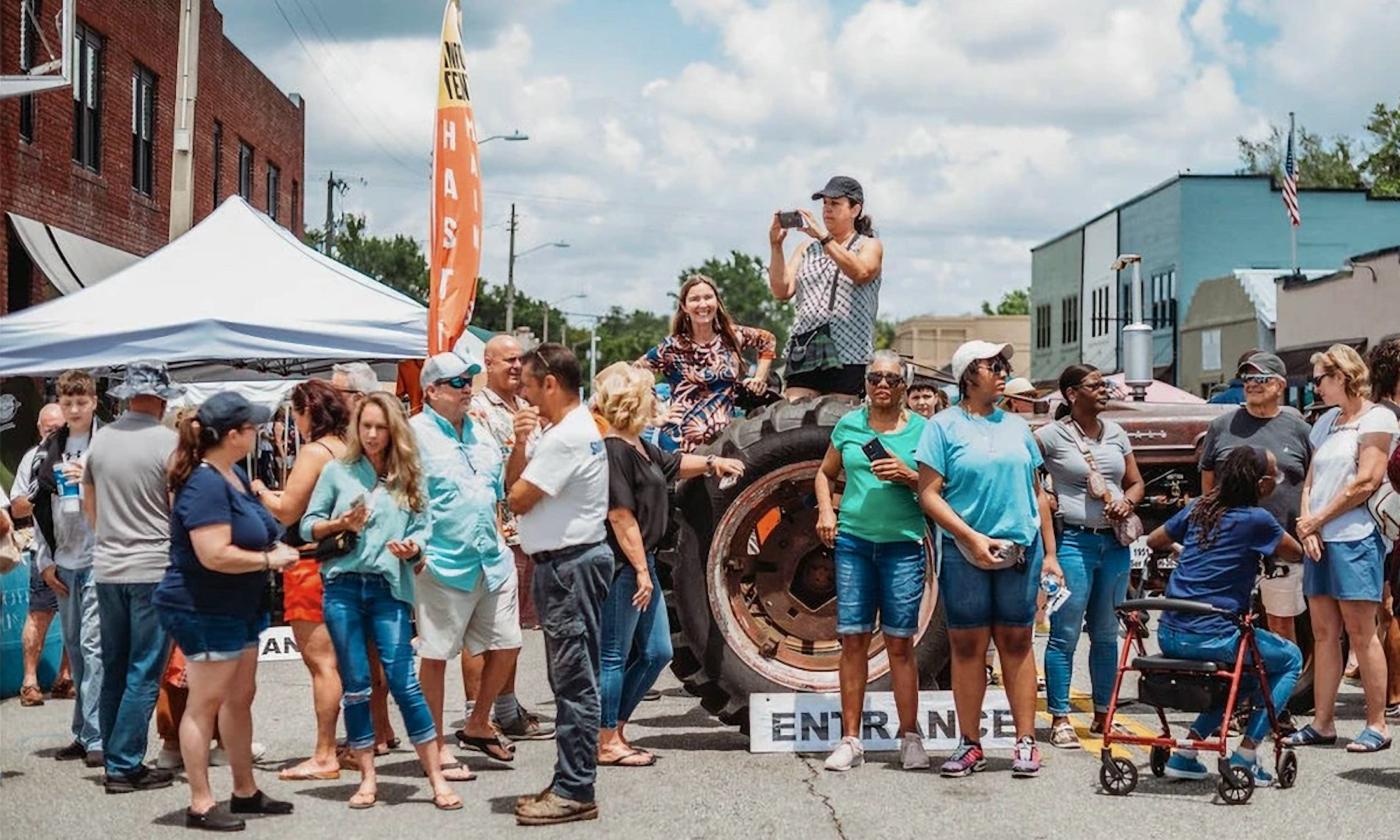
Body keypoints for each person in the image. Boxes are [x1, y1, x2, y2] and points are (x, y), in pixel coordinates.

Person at [302, 391, 463, 810]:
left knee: (404, 682)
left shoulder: (409, 474)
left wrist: (415, 547)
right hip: (343, 587)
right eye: (365, 426)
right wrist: (341, 522)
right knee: (356, 685)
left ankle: (435, 778)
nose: (371, 434)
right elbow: (307, 526)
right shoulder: (338, 472)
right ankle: (368, 778)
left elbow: (426, 526)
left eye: (379, 427)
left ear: (394, 431)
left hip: (389, 588)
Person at [915, 341, 1062, 779]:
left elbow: (1038, 494)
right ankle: (970, 743)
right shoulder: (941, 428)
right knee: (967, 647)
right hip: (965, 550)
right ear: (967, 375)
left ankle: (1025, 741)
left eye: (1004, 365)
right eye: (993, 365)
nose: (1003, 372)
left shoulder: (1018, 427)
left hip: (1021, 549)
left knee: (1017, 643)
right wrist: (970, 537)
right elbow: (928, 494)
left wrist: (1051, 553)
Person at [154, 392, 299, 831]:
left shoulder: (231, 473)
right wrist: (270, 560)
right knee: (205, 704)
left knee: (240, 698)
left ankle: (245, 791)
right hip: (206, 606)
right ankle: (200, 802)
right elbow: (213, 553)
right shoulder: (204, 483)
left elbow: (257, 532)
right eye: (253, 427)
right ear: (234, 435)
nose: (258, 432)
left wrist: (278, 549)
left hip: (240, 603)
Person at [592, 363, 744, 768]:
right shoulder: (613, 449)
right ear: (632, 400)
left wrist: (713, 464)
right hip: (623, 568)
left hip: (640, 566)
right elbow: (620, 516)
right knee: (614, 654)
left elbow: (673, 463)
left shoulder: (638, 445)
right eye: (650, 394)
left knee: (657, 651)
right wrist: (642, 571)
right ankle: (605, 739)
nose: (657, 400)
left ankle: (616, 728)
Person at [1147, 445, 1304, 783]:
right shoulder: (1257, 520)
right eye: (1274, 476)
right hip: (1212, 637)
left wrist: (1193, 547)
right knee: (1289, 659)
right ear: (1260, 484)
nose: (1277, 482)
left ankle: (1187, 753)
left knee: (1246, 679)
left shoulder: (1199, 509)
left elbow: (1155, 539)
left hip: (1171, 631)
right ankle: (1246, 755)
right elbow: (1295, 552)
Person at [506, 344, 611, 826]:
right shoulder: (569, 430)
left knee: (573, 681)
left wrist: (520, 448)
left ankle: (574, 787)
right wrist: (521, 446)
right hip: (571, 563)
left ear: (550, 383)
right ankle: (571, 778)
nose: (523, 395)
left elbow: (518, 498)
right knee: (572, 676)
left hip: (569, 566)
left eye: (527, 385)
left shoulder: (566, 436)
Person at [813, 351, 928, 771]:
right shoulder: (849, 426)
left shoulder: (922, 430)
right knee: (853, 640)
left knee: (900, 643)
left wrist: (909, 475)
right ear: (865, 383)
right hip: (855, 544)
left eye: (891, 379)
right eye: (874, 377)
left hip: (903, 545)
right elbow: (824, 473)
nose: (882, 384)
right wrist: (827, 511)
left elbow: (940, 487)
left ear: (905, 387)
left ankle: (910, 735)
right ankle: (851, 739)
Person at [412, 351, 524, 776]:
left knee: (509, 642)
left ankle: (477, 723)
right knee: (437, 656)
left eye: (469, 381)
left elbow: (500, 488)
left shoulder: (479, 432)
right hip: (441, 562)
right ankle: (435, 747)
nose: (466, 389)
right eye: (457, 383)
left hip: (491, 558)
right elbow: (401, 494)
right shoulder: (414, 435)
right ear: (432, 391)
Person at [1287, 344, 1399, 753]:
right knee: (1323, 633)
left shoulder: (1378, 417)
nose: (1315, 387)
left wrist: (1319, 520)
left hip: (1355, 536)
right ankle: (1323, 722)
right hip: (1320, 538)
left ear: (1343, 376)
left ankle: (1376, 724)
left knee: (1360, 632)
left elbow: (1367, 480)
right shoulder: (1327, 422)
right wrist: (1307, 523)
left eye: (1321, 379)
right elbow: (1312, 479)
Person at [83, 362, 183, 792]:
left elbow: (89, 503)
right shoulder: (169, 442)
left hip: (108, 564)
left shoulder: (101, 439)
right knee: (144, 669)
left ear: (126, 395)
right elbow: (178, 507)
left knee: (116, 664)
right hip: (152, 564)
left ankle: (113, 756)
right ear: (160, 399)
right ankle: (123, 764)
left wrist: (107, 534)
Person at [1036, 364, 1144, 749]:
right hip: (1073, 544)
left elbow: (1135, 482)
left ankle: (1103, 713)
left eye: (1105, 386)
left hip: (1114, 545)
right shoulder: (1050, 436)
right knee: (1064, 633)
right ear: (1071, 394)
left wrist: (1127, 502)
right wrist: (1045, 496)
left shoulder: (1116, 433)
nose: (1104, 391)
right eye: (1095, 386)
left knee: (1105, 634)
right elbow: (1026, 473)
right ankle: (1060, 717)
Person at [252, 380, 353, 781]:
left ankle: (325, 752)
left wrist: (260, 490)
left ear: (308, 411)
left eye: (295, 413)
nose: (293, 420)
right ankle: (351, 743)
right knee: (346, 662)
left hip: (312, 564)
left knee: (322, 665)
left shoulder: (314, 452)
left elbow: (288, 511)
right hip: (346, 562)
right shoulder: (348, 449)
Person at [468, 334, 553, 739]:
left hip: (527, 531)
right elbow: (504, 477)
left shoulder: (524, 406)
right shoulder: (478, 411)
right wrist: (521, 441)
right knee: (489, 630)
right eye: (508, 361)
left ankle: (502, 705)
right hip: (497, 531)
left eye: (521, 360)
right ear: (488, 362)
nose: (517, 367)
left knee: (511, 628)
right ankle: (480, 713)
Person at [1198, 352, 1312, 646]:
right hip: (1231, 546)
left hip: (1283, 546)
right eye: (1247, 378)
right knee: (1227, 620)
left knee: (1281, 628)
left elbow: (1314, 481)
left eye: (1260, 378)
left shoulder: (1299, 428)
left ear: (1280, 385)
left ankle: (1282, 690)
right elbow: (1208, 480)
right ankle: (1236, 689)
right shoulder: (1222, 426)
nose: (1252, 384)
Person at [33, 369, 104, 767]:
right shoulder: (49, 449)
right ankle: (82, 731)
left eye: (81, 402)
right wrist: (45, 561)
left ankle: (97, 736)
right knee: (75, 648)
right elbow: (39, 508)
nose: (74, 409)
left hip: (98, 557)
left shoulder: (105, 444)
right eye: (68, 402)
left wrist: (89, 477)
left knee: (94, 647)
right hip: (63, 559)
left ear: (94, 401)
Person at [769, 176, 885, 399]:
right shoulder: (806, 248)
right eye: (824, 204)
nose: (827, 210)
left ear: (855, 209)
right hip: (806, 345)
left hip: (849, 350)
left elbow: (861, 273)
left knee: (839, 418)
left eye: (835, 204)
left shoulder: (868, 245)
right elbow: (781, 290)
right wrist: (776, 245)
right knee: (794, 416)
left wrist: (823, 237)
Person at [637, 274, 777, 451]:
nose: (703, 304)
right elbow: (635, 371)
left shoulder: (732, 337)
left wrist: (759, 378)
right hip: (681, 442)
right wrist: (657, 412)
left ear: (717, 302)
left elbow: (767, 341)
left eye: (708, 297)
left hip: (724, 441)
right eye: (695, 299)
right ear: (684, 306)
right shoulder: (672, 347)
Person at [9, 403, 68, 706]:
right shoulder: (31, 458)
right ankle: (30, 681)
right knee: (40, 614)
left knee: (79, 618)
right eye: (48, 428)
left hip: (80, 549)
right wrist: (41, 494)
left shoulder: (80, 455)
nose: (53, 432)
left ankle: (65, 677)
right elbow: (16, 507)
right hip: (45, 548)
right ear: (39, 427)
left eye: (58, 427)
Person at [1365, 337, 1400, 718]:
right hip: (1388, 523)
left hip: (1383, 521)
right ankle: (1392, 693)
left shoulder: (1378, 413)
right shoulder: (1390, 417)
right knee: (1389, 609)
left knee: (1387, 609)